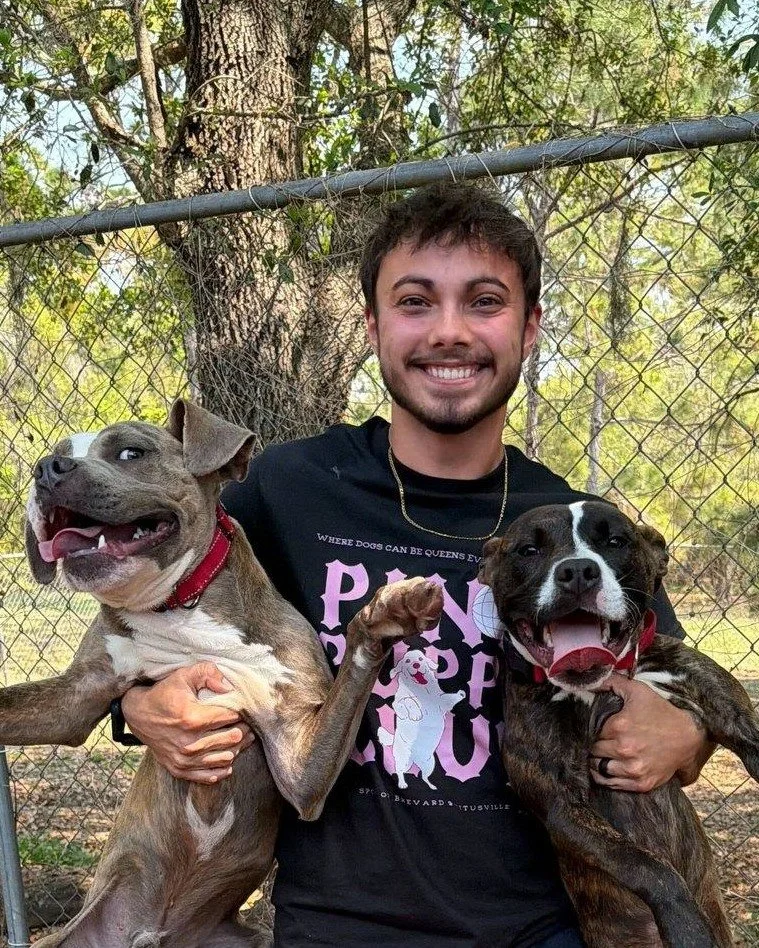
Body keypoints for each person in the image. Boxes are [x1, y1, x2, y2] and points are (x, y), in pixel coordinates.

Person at [121, 183, 711, 947]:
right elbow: (149, 602)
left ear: (530, 329)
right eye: (414, 301)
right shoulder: (291, 489)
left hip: (541, 925)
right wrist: (138, 707)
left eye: (485, 302)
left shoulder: (571, 525)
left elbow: (675, 676)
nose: (449, 331)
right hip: (337, 925)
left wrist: (687, 734)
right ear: (372, 325)